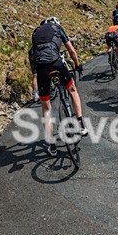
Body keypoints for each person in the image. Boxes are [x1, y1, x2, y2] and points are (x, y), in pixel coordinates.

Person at [30, 17, 87, 156]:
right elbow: (72, 51)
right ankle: (80, 124)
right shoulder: (57, 28)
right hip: (56, 63)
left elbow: (34, 52)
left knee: (46, 107)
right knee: (72, 90)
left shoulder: (36, 32)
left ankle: (51, 144)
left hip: (41, 68)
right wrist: (78, 65)